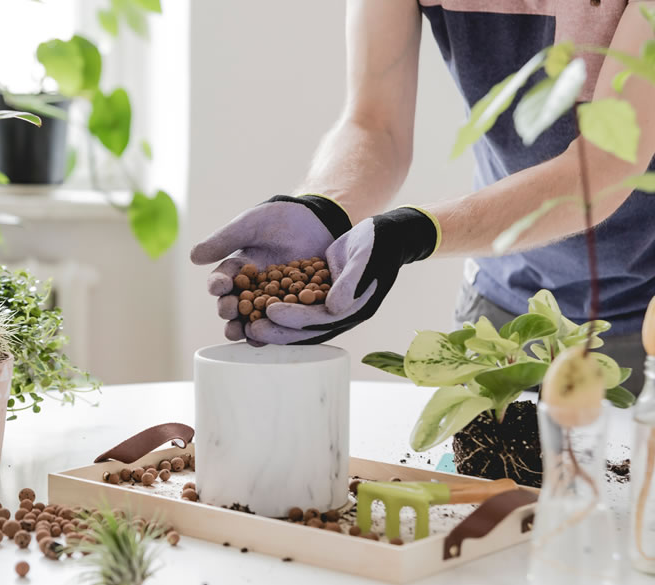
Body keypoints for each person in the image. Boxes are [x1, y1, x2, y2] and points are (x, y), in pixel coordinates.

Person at [191, 0, 655, 389]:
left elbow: (608, 162)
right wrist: (322, 205)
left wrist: (414, 232)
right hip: (507, 306)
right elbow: (376, 122)